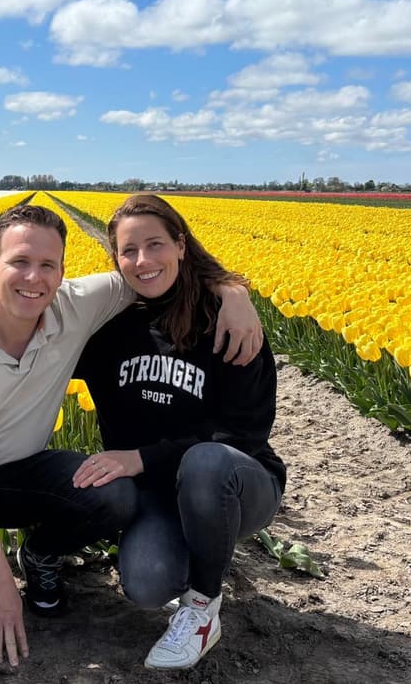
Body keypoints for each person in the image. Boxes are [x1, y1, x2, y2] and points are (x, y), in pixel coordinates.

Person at [0, 203, 264, 668]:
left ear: (62, 272)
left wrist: (233, 291)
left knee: (116, 494)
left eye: (47, 265)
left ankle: (41, 553)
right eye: (19, 262)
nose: (33, 278)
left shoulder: (78, 305)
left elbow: (155, 273)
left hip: (23, 470)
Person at [70, 194, 286, 670]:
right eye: (129, 251)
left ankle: (203, 607)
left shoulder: (225, 321)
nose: (143, 260)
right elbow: (38, 328)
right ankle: (195, 553)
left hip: (235, 481)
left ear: (181, 246)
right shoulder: (110, 328)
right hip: (157, 491)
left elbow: (244, 434)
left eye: (155, 245)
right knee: (147, 584)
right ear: (115, 259)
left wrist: (233, 293)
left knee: (205, 461)